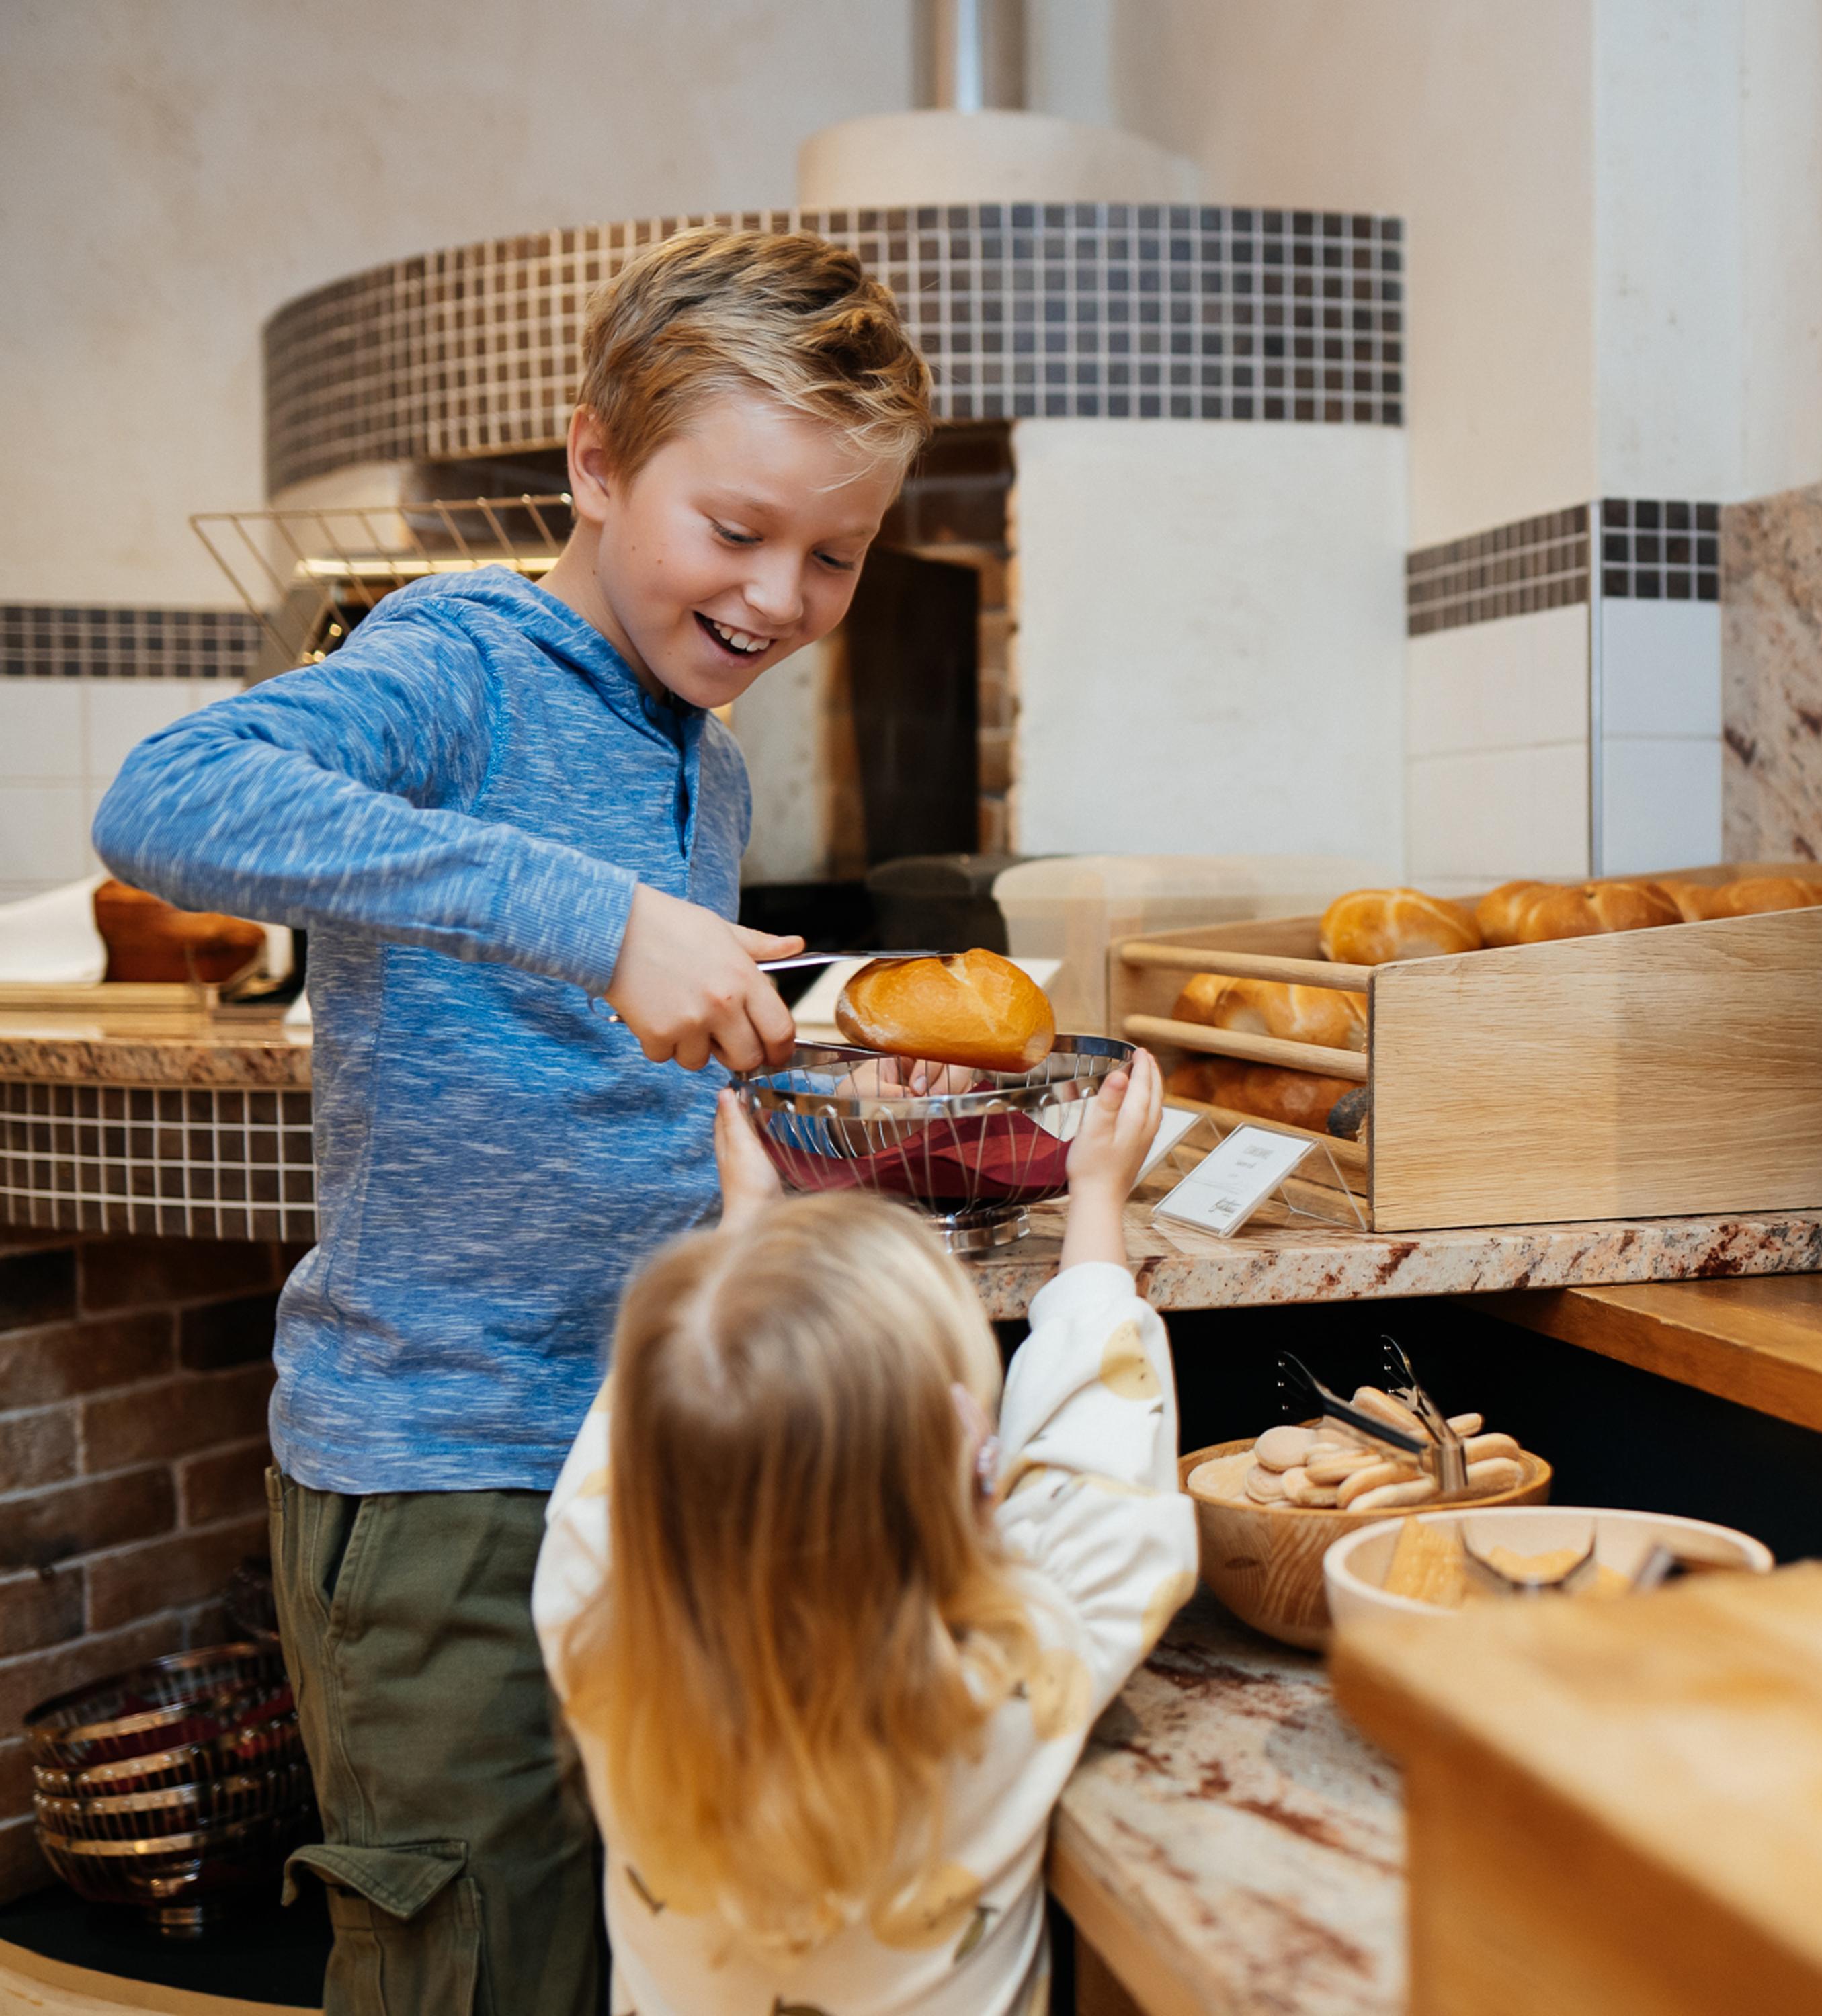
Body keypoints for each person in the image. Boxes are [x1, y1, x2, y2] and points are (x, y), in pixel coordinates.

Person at [89, 227, 930, 2011]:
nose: (780, 598)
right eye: (736, 530)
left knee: (629, 1957)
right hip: (447, 1480)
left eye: (834, 555)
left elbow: (613, 1068)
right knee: (472, 1968)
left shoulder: (704, 752)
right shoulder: (461, 659)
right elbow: (168, 798)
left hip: (649, 1458)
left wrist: (793, 1095)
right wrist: (602, 918)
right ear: (597, 462)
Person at [532, 1052, 1198, 2016]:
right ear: (947, 1477)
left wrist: (746, 1228)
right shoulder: (1014, 1682)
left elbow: (636, 1452)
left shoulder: (602, 1647)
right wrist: (1096, 1197)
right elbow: (1101, 1458)